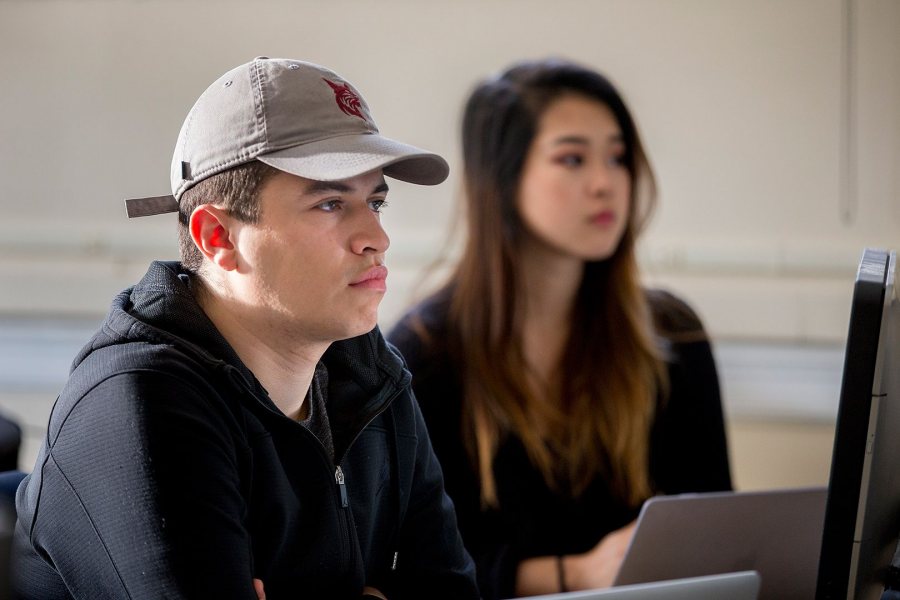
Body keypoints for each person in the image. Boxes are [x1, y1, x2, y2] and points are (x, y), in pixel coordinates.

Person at [12, 57, 478, 600]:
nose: (376, 236)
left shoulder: (371, 376)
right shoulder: (139, 401)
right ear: (217, 237)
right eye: (330, 203)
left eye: (374, 201)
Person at [387, 57, 733, 599]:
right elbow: (410, 568)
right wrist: (580, 574)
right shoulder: (420, 355)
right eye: (572, 158)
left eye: (618, 158)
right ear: (502, 177)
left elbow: (718, 523)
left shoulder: (672, 333)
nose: (606, 184)